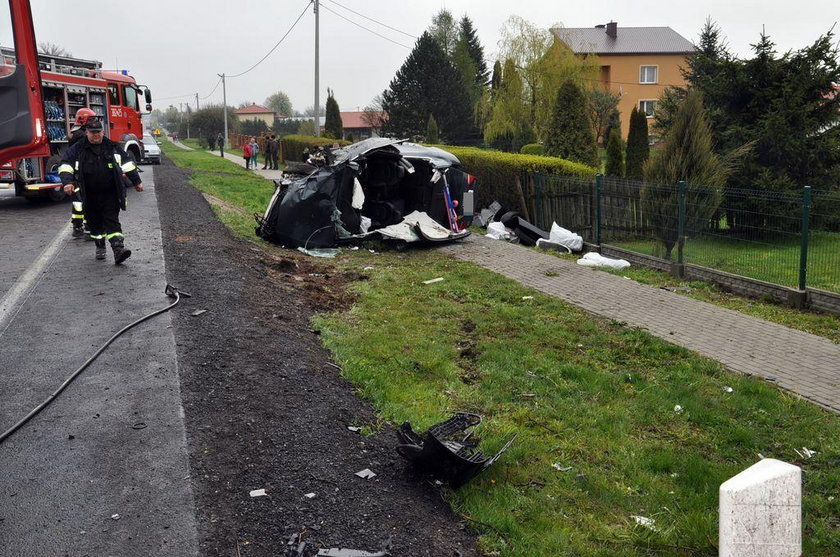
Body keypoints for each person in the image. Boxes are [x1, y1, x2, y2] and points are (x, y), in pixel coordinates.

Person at [58, 118, 143, 264]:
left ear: (103, 132)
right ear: (86, 133)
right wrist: (67, 182)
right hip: (89, 195)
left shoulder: (112, 147)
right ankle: (100, 246)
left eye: (98, 132)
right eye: (93, 132)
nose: (96, 135)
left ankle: (118, 250)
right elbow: (65, 164)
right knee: (95, 225)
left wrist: (136, 181)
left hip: (111, 193)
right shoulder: (77, 149)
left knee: (112, 221)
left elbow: (128, 164)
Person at [67, 108, 97, 238]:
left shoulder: (76, 133)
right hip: (82, 172)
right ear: (83, 120)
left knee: (78, 202)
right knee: (87, 200)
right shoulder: (81, 135)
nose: (94, 122)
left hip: (77, 172)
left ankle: (77, 227)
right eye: (91, 119)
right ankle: (89, 230)